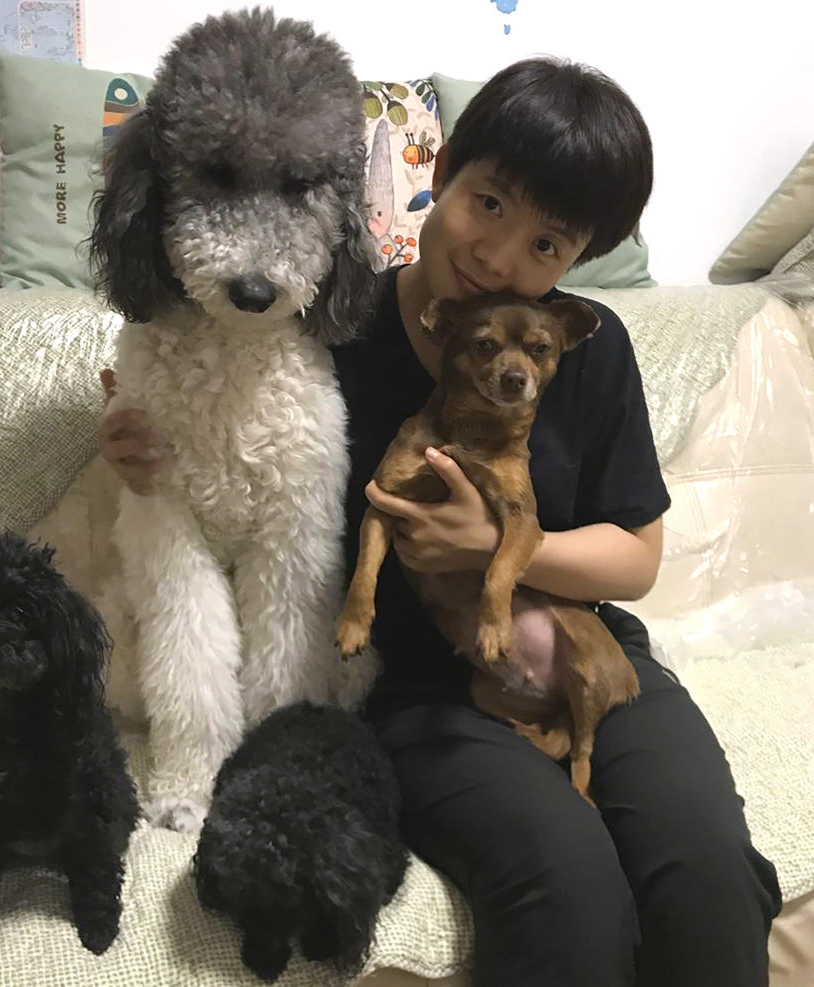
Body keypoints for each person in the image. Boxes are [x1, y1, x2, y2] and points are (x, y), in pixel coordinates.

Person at [99, 57, 781, 986]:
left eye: (550, 245)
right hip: (423, 694)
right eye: (491, 203)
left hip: (587, 647)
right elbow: (207, 410)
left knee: (707, 876)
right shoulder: (334, 320)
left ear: (579, 260)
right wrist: (134, 439)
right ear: (444, 167)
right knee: (569, 890)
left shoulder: (586, 345)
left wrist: (494, 546)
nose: (502, 256)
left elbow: (636, 557)